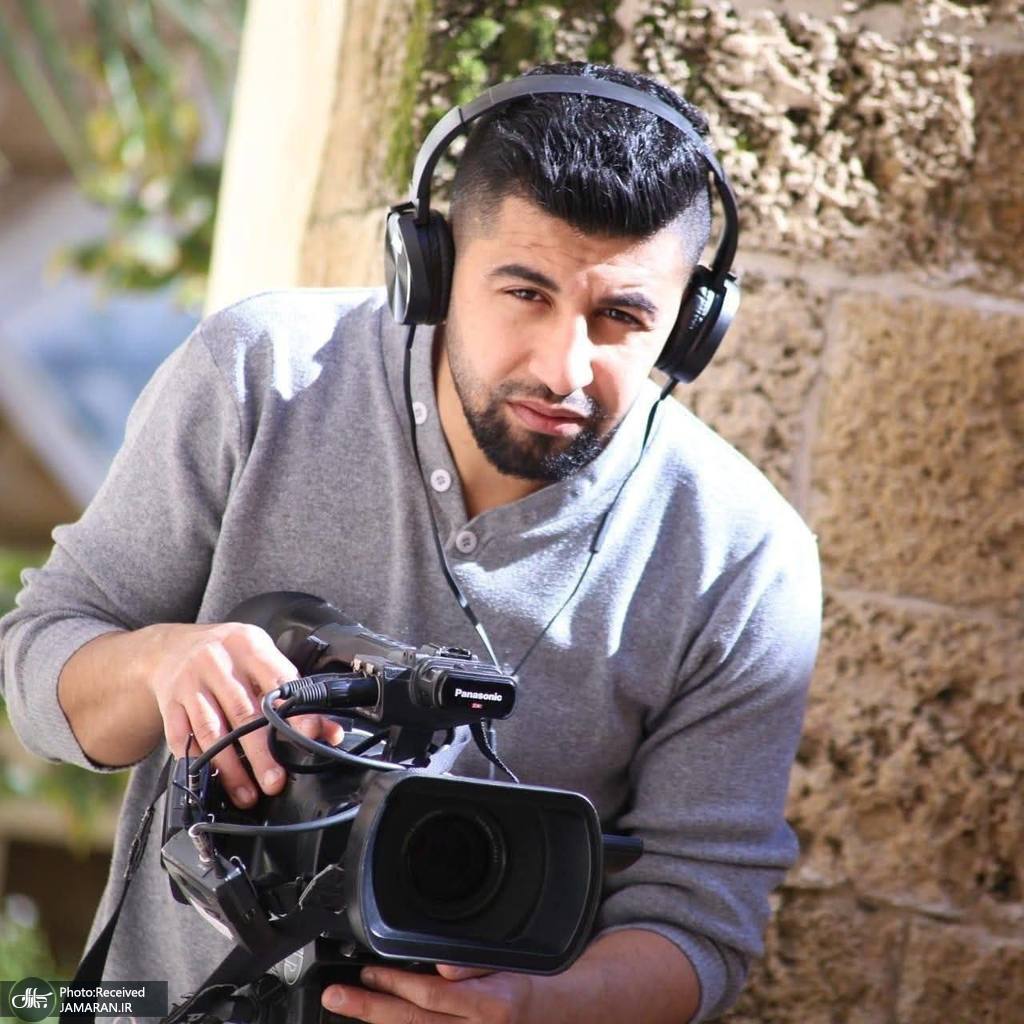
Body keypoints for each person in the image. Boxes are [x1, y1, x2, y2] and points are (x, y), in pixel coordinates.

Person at [0, 61, 821, 1023]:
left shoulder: (745, 558)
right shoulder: (259, 374)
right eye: (524, 292)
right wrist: (159, 666)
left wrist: (537, 1011)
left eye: (622, 316)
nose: (563, 367)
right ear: (430, 268)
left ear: (692, 324)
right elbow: (38, 665)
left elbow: (701, 920)